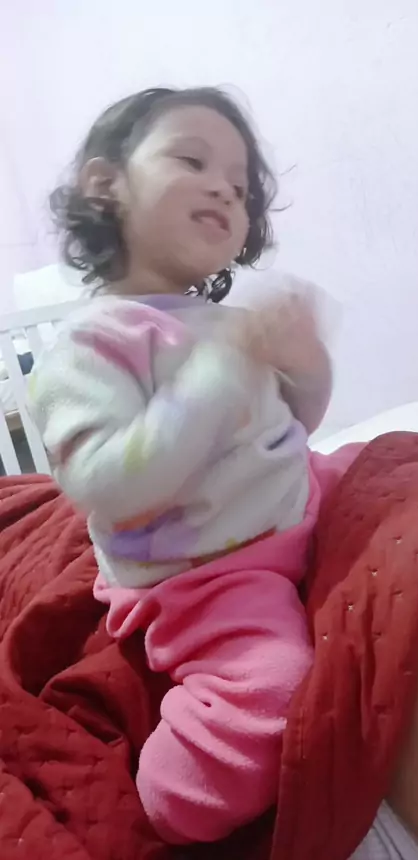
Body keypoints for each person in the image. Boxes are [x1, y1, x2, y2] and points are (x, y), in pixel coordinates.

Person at [27, 86, 346, 845]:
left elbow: (292, 425)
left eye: (239, 184)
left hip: (295, 502)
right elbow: (109, 487)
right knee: (271, 693)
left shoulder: (225, 325)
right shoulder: (92, 345)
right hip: (209, 574)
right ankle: (171, 783)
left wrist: (306, 365)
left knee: (402, 460)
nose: (224, 190)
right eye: (192, 160)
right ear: (106, 185)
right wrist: (219, 374)